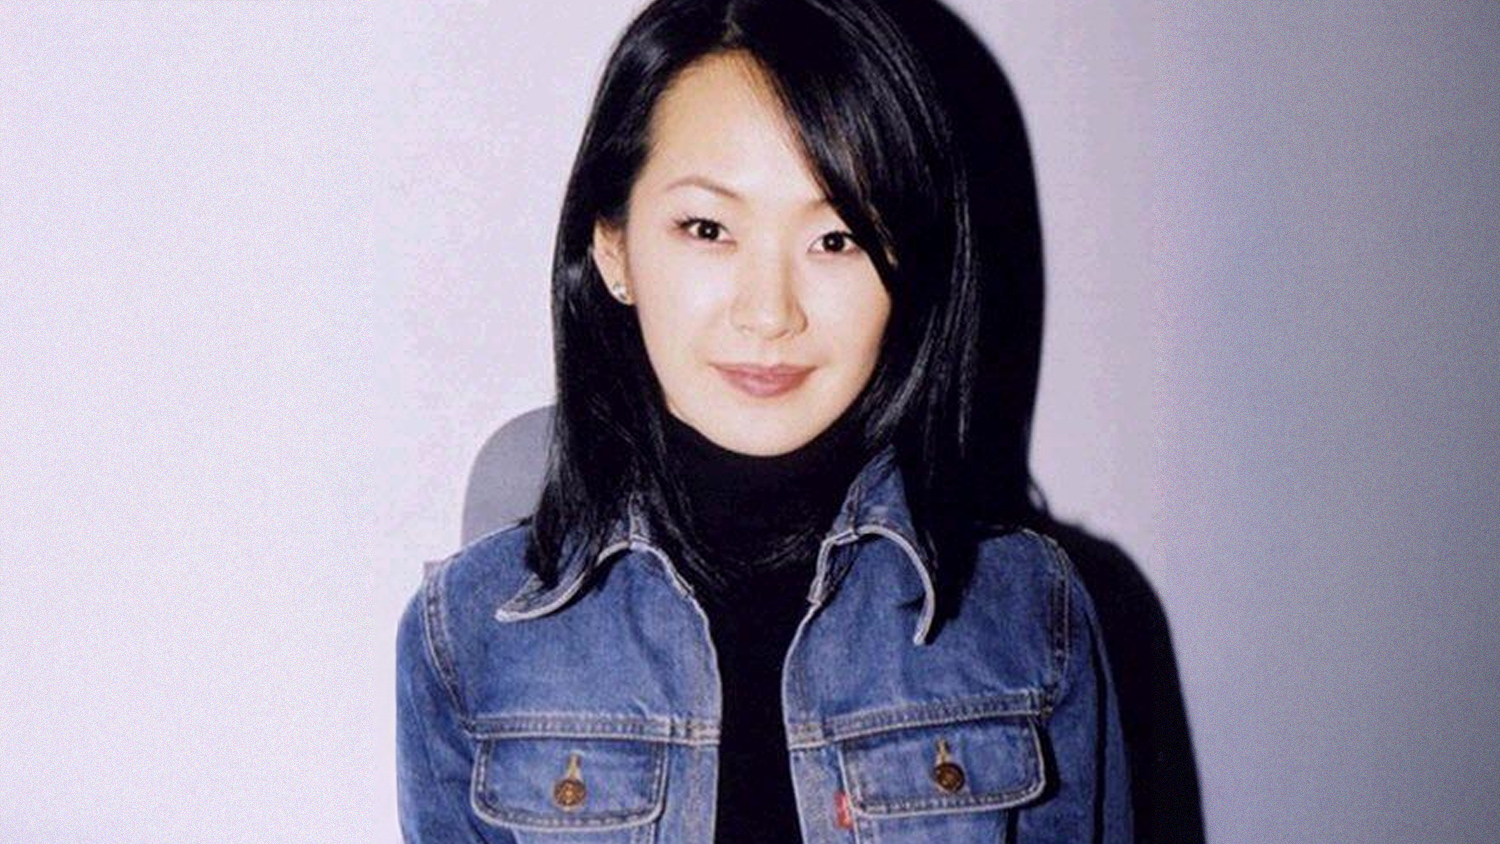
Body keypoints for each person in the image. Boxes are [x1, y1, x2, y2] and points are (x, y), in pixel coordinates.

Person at [396, 0, 1132, 841]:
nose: (771, 312)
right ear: (613, 247)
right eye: (709, 229)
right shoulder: (465, 632)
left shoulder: (1026, 610)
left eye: (837, 238)